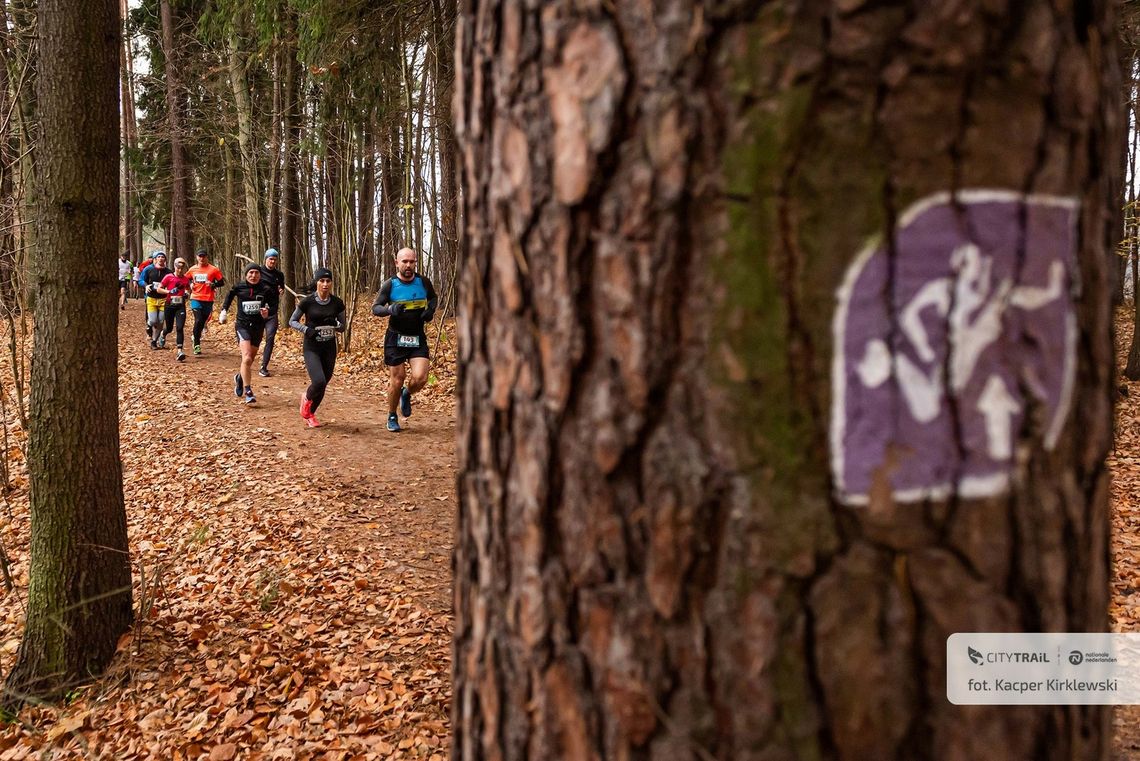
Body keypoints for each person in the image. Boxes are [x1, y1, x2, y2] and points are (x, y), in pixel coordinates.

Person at [371, 247, 437, 432]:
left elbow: (433, 298)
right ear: (397, 263)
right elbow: (376, 308)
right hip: (395, 337)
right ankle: (392, 415)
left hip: (417, 337)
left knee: (421, 378)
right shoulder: (390, 285)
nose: (408, 265)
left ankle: (407, 394)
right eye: (405, 262)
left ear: (416, 262)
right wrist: (390, 310)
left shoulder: (423, 282)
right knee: (398, 378)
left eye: (412, 261)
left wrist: (430, 311)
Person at [289, 268, 345, 428]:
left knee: (324, 383)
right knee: (318, 381)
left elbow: (343, 327)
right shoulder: (307, 302)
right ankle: (306, 398)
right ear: (316, 283)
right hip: (312, 347)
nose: (325, 284)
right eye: (322, 281)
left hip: (329, 347)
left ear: (332, 283)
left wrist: (335, 324)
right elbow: (292, 321)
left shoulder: (337, 303)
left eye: (328, 281)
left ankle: (311, 414)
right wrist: (307, 330)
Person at [219, 263, 278, 405]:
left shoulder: (265, 289)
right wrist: (224, 310)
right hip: (242, 325)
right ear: (246, 275)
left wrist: (268, 311)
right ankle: (248, 391)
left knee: (250, 359)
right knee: (246, 358)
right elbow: (229, 295)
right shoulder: (239, 287)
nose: (254, 275)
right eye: (250, 273)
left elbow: (274, 305)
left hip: (258, 327)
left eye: (256, 273)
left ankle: (240, 377)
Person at [186, 248, 225, 355]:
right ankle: (197, 344)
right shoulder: (192, 269)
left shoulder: (214, 269)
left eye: (203, 256)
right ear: (196, 257)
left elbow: (222, 282)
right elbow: (186, 279)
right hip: (196, 298)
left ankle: (196, 336)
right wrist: (190, 284)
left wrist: (213, 284)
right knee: (198, 320)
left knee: (203, 322)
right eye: (200, 256)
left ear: (207, 257)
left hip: (208, 299)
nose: (201, 258)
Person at [258, 248, 286, 377]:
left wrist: (281, 290)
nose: (272, 261)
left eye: (275, 259)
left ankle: (264, 366)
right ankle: (248, 359)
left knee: (270, 338)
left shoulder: (279, 275)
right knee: (255, 339)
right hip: (258, 311)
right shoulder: (258, 271)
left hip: (272, 312)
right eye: (270, 259)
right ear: (266, 259)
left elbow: (282, 287)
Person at [157, 257, 192, 361]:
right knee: (169, 328)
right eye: (178, 268)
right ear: (174, 266)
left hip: (180, 306)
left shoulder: (185, 279)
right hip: (169, 305)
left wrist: (187, 293)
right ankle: (163, 334)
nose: (180, 270)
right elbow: (159, 289)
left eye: (182, 268)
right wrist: (169, 292)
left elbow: (189, 290)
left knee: (180, 328)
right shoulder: (168, 277)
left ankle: (179, 351)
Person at [142, 252, 171, 348]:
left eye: (163, 257)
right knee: (153, 320)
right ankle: (149, 325)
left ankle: (154, 341)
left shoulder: (168, 272)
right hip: (151, 298)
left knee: (161, 321)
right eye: (159, 257)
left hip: (163, 299)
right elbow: (141, 280)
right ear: (155, 259)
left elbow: (173, 283)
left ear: (165, 260)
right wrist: (146, 286)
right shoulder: (148, 269)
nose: (161, 258)